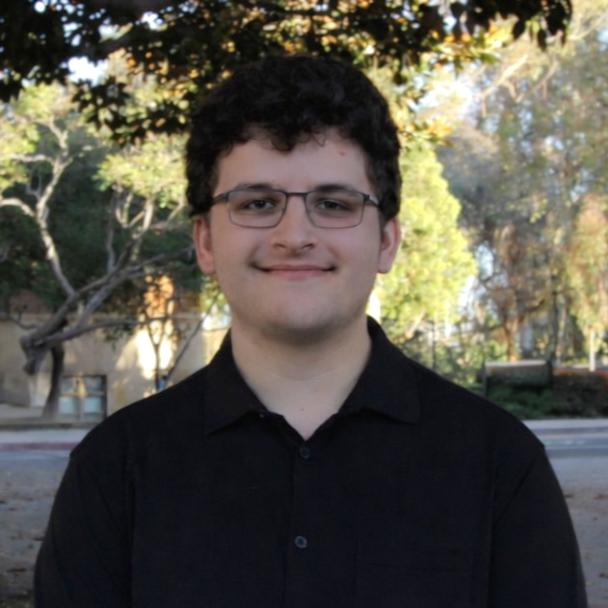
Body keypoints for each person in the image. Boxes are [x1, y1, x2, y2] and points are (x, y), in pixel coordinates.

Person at [34, 55, 587, 607]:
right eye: (258, 203)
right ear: (205, 242)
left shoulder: (500, 462)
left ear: (386, 241)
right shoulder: (114, 468)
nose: (294, 235)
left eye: (333, 203)